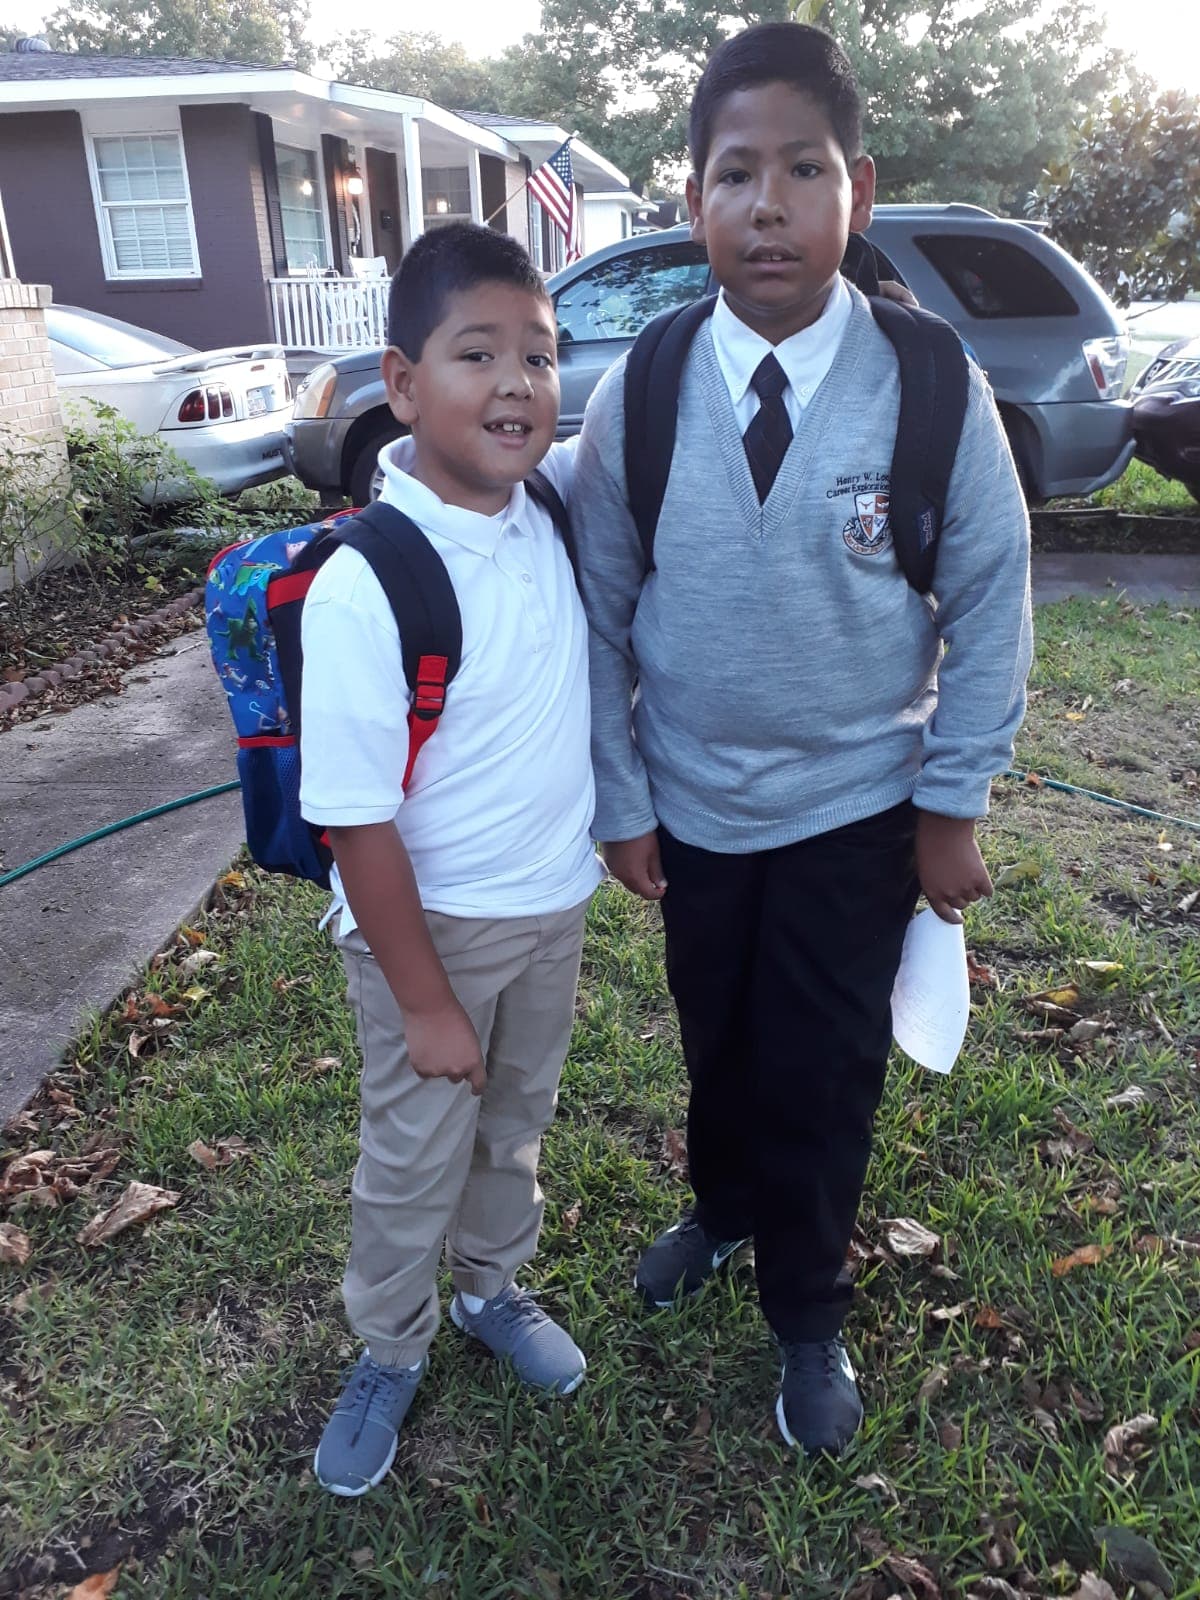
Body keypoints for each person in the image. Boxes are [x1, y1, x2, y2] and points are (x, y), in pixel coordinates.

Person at [571, 22, 1033, 1456]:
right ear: (692, 198)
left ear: (859, 188)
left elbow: (993, 594)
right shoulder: (642, 391)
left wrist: (952, 802)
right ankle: (722, 1205)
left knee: (825, 1063)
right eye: (735, 174)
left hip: (858, 808)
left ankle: (809, 1311)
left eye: (803, 170)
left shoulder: (932, 385)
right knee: (718, 1033)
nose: (767, 207)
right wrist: (621, 796)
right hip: (695, 809)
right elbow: (598, 611)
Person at [299, 223, 603, 1497]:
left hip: (552, 907)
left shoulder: (551, 512)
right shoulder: (369, 582)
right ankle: (389, 1342)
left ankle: (489, 1286)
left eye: (539, 353)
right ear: (403, 384)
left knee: (514, 1122)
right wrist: (425, 1001)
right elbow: (358, 822)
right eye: (477, 354)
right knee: (416, 1148)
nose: (518, 383)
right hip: (428, 933)